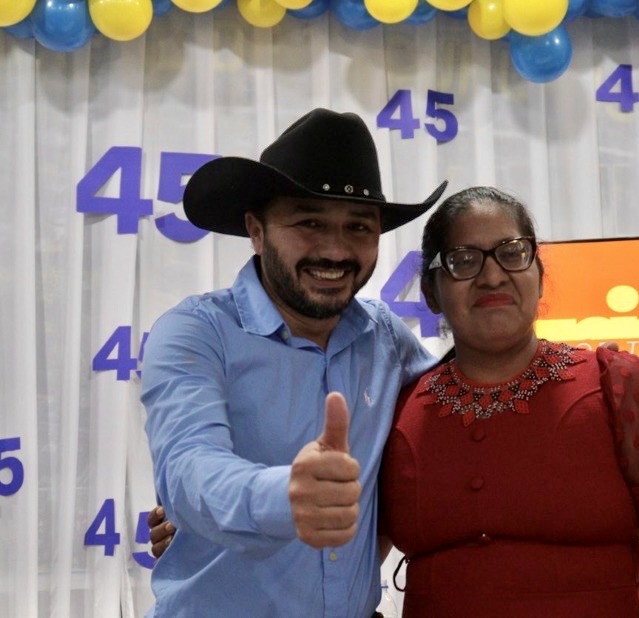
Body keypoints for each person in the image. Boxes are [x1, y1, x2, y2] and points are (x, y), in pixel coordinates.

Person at [140, 107, 448, 617]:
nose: (335, 249)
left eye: (358, 227)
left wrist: (601, 370)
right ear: (256, 231)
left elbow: (467, 389)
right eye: (309, 222)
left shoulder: (385, 337)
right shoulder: (196, 332)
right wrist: (284, 496)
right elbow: (188, 469)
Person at [376, 186, 639, 617]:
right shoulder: (395, 411)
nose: (492, 276)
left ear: (538, 274)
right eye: (464, 260)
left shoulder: (620, 388)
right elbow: (351, 564)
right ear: (430, 291)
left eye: (512, 253)